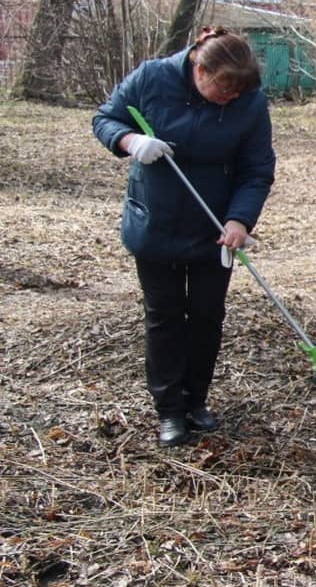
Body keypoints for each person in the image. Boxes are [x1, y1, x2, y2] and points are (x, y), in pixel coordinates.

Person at [93, 26, 276, 447]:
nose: (229, 98)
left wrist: (240, 221)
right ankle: (170, 410)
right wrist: (130, 140)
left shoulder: (249, 102)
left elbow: (256, 169)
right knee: (166, 316)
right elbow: (105, 118)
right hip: (155, 219)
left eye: (237, 94)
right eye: (223, 89)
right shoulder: (152, 78)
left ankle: (197, 401)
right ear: (200, 67)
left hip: (215, 228)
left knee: (208, 316)